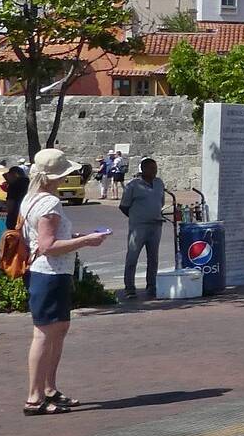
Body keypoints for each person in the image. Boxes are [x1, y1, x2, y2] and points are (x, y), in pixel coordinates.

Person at [20, 148, 108, 416]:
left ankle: (49, 389)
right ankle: (35, 397)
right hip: (50, 273)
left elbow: (42, 239)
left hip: (48, 273)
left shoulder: (31, 199)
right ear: (54, 177)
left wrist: (74, 237)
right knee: (44, 334)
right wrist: (86, 241)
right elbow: (48, 246)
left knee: (58, 330)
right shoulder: (49, 203)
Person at [118, 158, 167, 299]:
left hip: (156, 225)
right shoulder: (133, 185)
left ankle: (151, 286)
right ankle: (129, 288)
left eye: (155, 168)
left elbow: (161, 202)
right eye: (151, 168)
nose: (154, 171)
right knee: (132, 257)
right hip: (139, 226)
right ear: (143, 169)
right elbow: (124, 206)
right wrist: (137, 217)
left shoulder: (159, 183)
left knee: (153, 258)